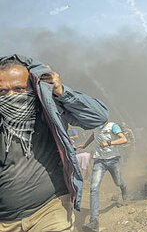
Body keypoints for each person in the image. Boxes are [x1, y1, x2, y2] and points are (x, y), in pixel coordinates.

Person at [0, 55, 108, 231]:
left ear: (32, 87)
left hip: (50, 210)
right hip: (5, 221)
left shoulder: (48, 109)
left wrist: (61, 91)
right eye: (3, 92)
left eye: (19, 89)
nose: (11, 96)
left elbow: (98, 116)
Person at [78, 121, 128, 232]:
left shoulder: (113, 126)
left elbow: (124, 139)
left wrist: (109, 142)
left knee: (118, 182)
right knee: (94, 188)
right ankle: (94, 221)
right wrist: (85, 145)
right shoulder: (95, 126)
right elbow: (93, 135)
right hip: (99, 161)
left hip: (113, 160)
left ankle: (123, 188)